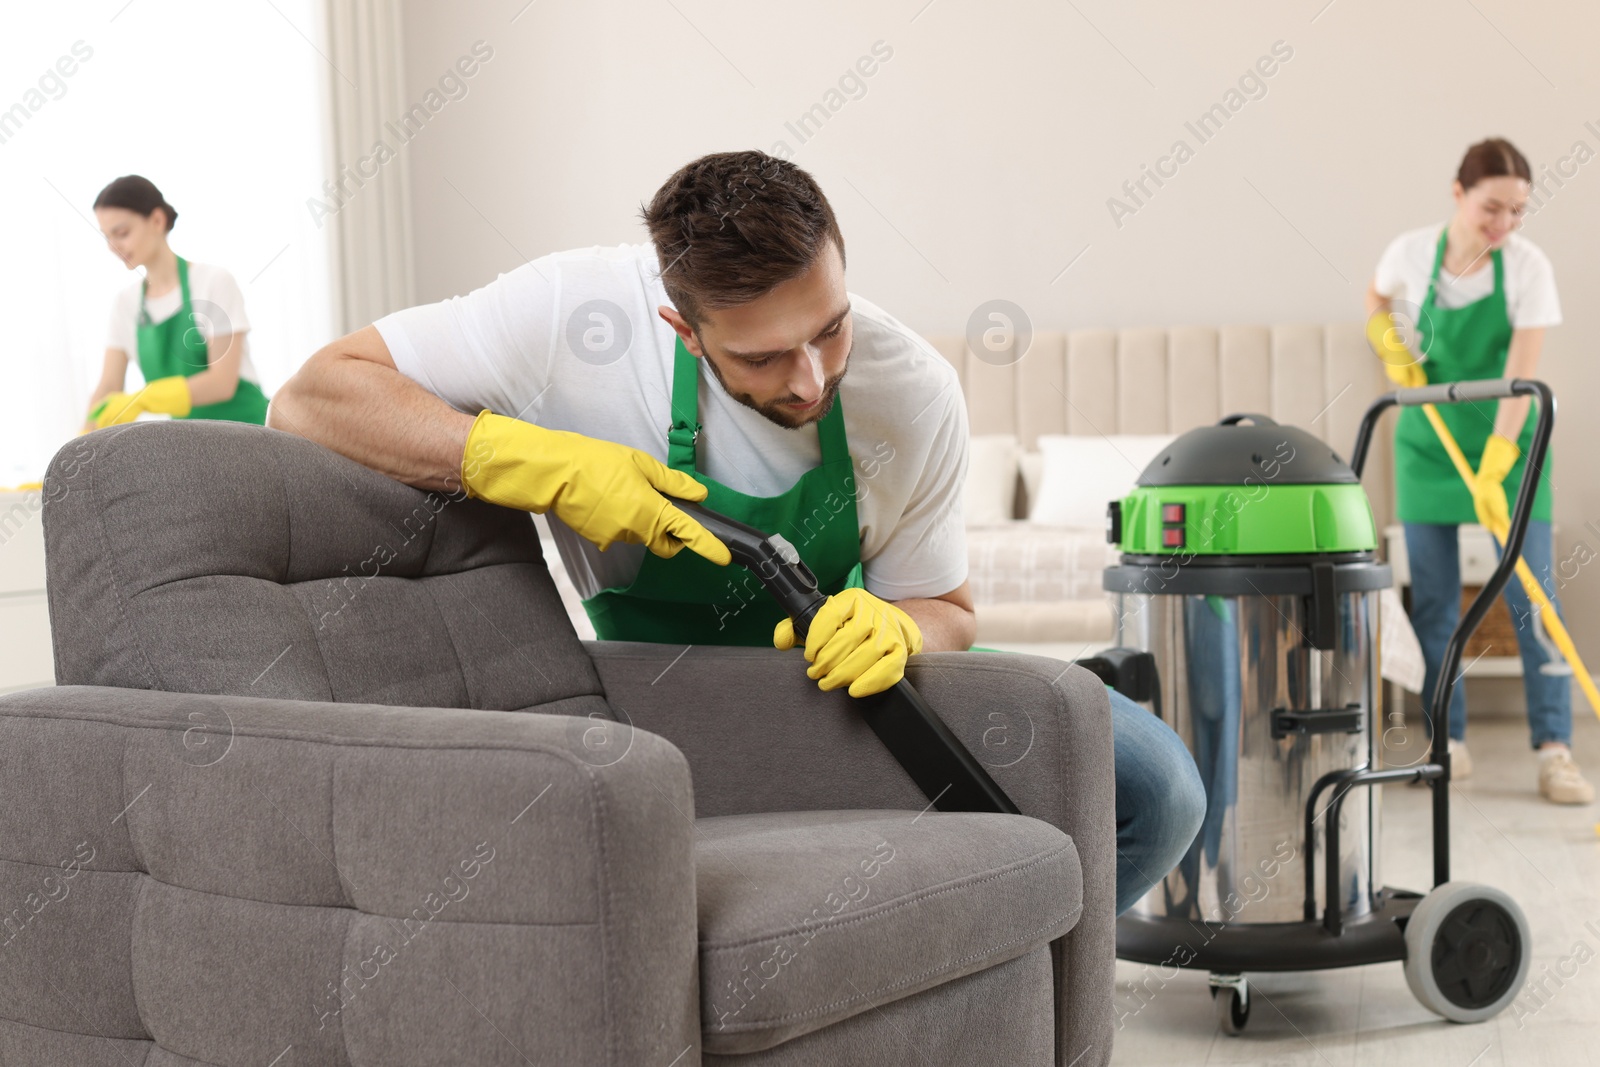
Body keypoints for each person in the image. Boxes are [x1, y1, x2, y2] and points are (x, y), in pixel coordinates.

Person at [271, 150, 1204, 912]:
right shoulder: (569, 316)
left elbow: (947, 604)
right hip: (655, 703)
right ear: (682, 326)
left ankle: (991, 984)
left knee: (1157, 788)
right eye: (760, 356)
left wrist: (900, 626)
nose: (808, 379)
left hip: (840, 696)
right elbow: (311, 397)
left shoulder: (910, 390)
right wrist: (539, 462)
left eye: (830, 330)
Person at [1366, 137, 1591, 805]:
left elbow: (1522, 376)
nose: (1505, 225)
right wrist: (1389, 343)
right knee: (1436, 605)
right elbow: (1378, 297)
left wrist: (1496, 463)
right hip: (1429, 448)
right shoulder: (1411, 252)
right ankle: (1448, 743)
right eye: (1493, 208)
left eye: (1518, 212)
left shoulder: (1528, 267)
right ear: (1459, 194)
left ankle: (1556, 752)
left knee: (1534, 602)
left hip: (1507, 446)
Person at [86, 175, 269, 431]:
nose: (113, 246)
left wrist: (145, 398)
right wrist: (76, 450)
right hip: (189, 444)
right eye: (106, 237)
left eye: (122, 233)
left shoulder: (213, 282)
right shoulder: (125, 304)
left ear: (158, 220)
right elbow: (108, 386)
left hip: (248, 432)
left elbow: (222, 382)